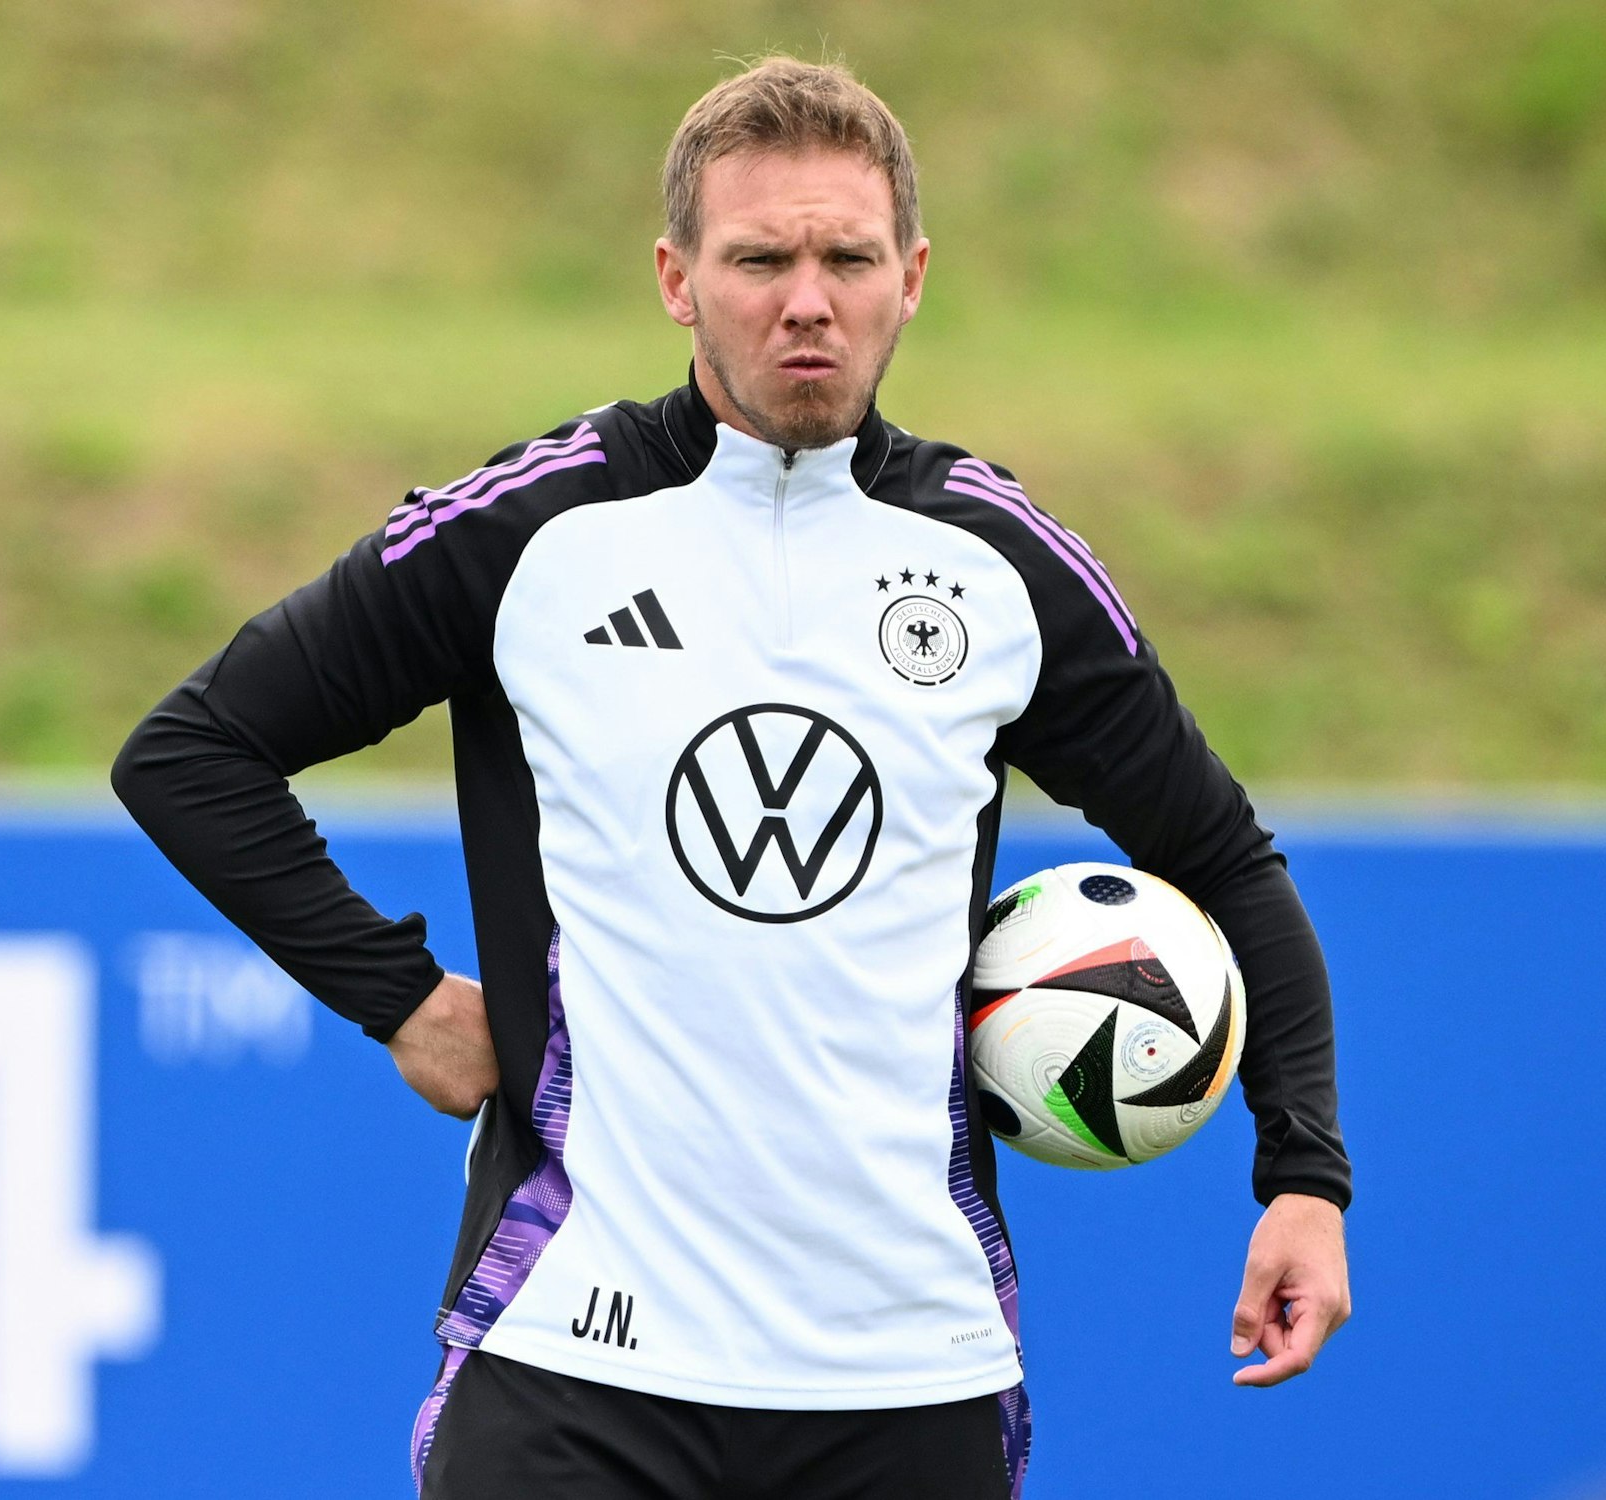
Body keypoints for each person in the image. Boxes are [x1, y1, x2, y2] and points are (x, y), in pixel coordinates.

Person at [112, 55, 1352, 1500]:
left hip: (909, 1377)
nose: (806, 299)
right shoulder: (539, 530)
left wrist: (1304, 1177)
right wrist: (401, 996)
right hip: (575, 1362)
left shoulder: (996, 565)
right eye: (760, 257)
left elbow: (1225, 861)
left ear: (913, 277)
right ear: (676, 278)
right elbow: (191, 754)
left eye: (848, 257)